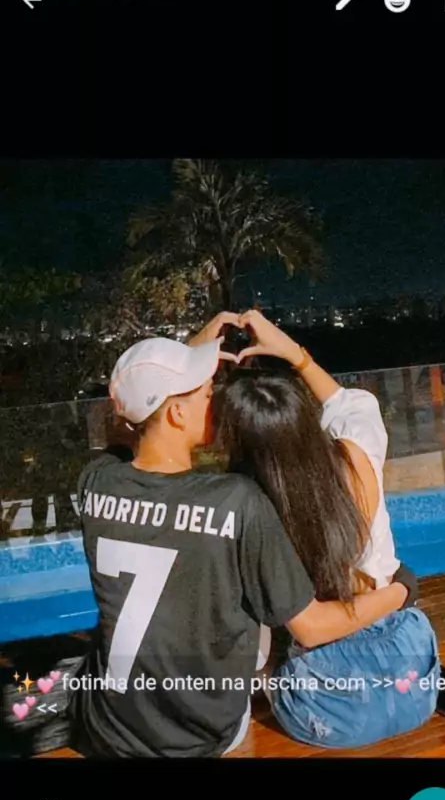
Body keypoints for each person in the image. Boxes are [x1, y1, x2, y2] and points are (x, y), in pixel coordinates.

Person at [69, 312, 414, 757]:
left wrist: (174, 363)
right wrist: (403, 588)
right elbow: (311, 627)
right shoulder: (237, 502)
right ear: (177, 412)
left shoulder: (96, 481)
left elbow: (129, 422)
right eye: (204, 392)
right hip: (200, 737)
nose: (213, 400)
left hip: (109, 726)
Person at [215, 309, 440, 749]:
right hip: (412, 679)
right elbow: (350, 403)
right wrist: (295, 355)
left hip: (327, 705)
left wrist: (197, 360)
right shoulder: (357, 454)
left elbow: (311, 629)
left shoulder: (249, 507)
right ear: (305, 418)